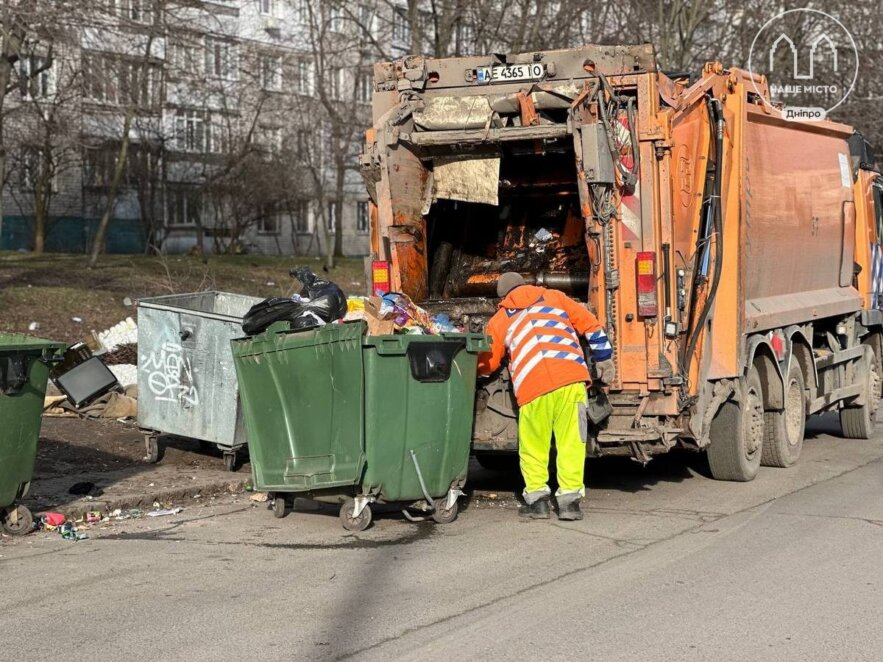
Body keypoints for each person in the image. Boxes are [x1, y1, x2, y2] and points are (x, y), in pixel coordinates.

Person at [478, 272, 615, 521]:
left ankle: (538, 501)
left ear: (503, 297)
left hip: (533, 388)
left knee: (534, 446)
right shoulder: (555, 297)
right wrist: (604, 357)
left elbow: (488, 362)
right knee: (571, 442)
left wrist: (473, 367)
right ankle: (570, 503)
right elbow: (590, 324)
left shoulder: (500, 319)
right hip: (571, 381)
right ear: (527, 285)